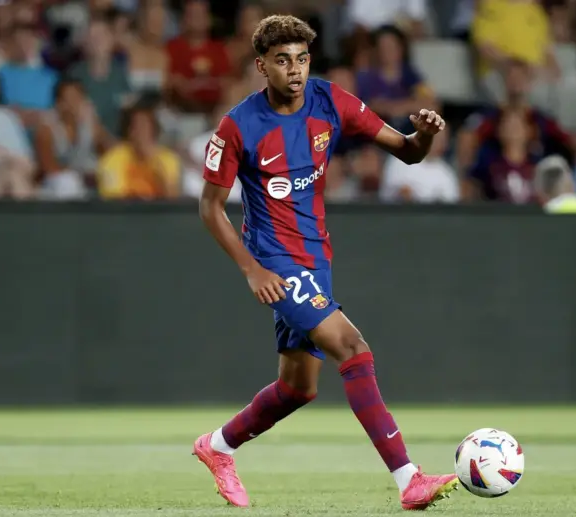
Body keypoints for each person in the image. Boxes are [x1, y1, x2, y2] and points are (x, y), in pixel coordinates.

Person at [195, 15, 456, 511]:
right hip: (275, 259)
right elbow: (210, 208)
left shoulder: (331, 101)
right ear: (262, 66)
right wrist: (252, 268)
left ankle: (218, 446)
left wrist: (422, 136)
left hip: (316, 258)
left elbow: (407, 153)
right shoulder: (238, 126)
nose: (294, 70)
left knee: (298, 389)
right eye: (282, 60)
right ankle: (409, 480)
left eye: (301, 59)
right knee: (352, 347)